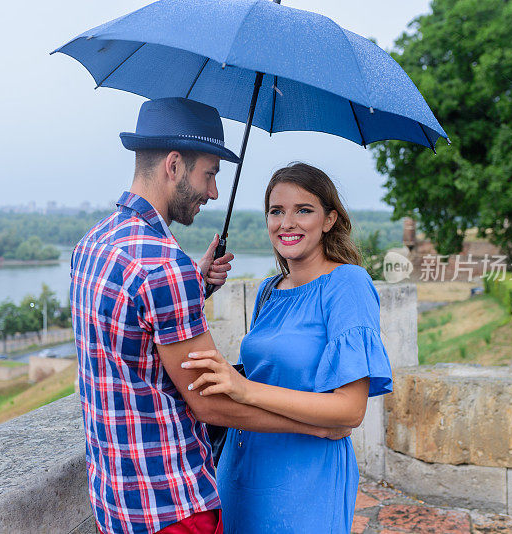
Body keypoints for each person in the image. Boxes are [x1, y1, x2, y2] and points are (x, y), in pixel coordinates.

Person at [70, 99, 350, 534]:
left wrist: (195, 285)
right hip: (172, 507)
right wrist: (313, 426)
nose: (214, 191)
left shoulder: (94, 244)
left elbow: (133, 329)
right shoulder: (164, 267)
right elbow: (209, 403)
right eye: (210, 173)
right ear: (175, 165)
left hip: (116, 498)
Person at [182, 162, 394, 533]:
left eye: (304, 210)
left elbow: (350, 409)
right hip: (239, 470)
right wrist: (198, 287)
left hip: (305, 480)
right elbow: (268, 370)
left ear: (329, 219)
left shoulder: (347, 284)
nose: (287, 223)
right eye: (276, 211)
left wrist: (244, 388)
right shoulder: (268, 290)